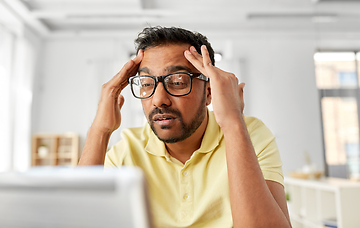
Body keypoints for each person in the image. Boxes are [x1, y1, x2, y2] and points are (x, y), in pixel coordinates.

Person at [79, 26, 292, 228]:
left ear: (209, 92)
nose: (158, 100)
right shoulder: (126, 151)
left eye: (178, 81)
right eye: (146, 83)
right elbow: (80, 220)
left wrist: (233, 122)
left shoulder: (250, 135)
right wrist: (100, 130)